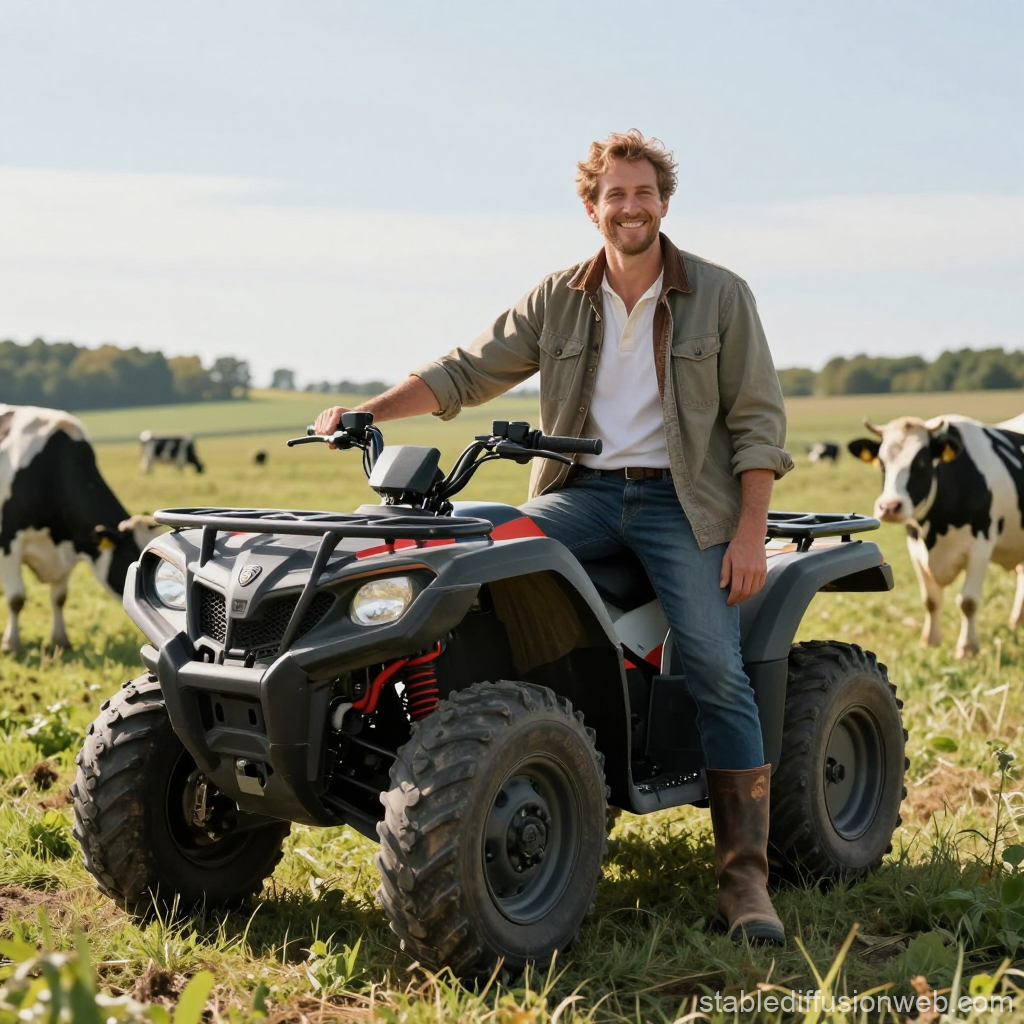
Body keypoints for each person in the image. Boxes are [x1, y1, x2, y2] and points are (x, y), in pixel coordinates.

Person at [316, 129, 794, 944]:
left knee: (717, 663)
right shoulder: (559, 297)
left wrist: (749, 534)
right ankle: (516, 748)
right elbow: (468, 368)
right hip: (584, 495)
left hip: (687, 506)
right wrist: (370, 410)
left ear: (664, 203)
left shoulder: (720, 295)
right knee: (474, 566)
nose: (630, 207)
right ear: (592, 205)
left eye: (643, 193)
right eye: (616, 194)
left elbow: (758, 423)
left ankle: (745, 881)